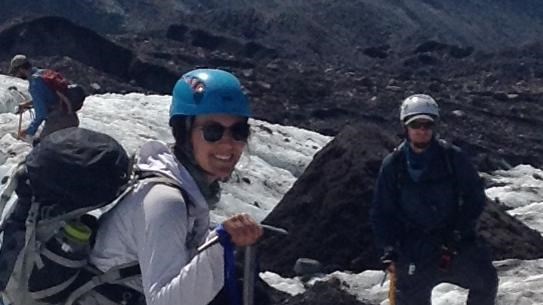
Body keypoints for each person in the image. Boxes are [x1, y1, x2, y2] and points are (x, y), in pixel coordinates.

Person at [81, 69, 263, 305]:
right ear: (184, 133)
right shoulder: (166, 200)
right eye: (212, 132)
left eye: (238, 131)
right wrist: (221, 246)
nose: (227, 144)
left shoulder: (184, 188)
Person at [370, 94, 498, 305]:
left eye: (427, 125)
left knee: (485, 279)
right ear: (406, 127)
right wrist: (388, 250)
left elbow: (474, 197)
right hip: (413, 247)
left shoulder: (453, 158)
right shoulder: (393, 165)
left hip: (450, 243)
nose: (422, 130)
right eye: (416, 124)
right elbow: (381, 211)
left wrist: (459, 232)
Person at [8, 54, 79, 140]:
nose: (17, 75)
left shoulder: (35, 83)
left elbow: (41, 114)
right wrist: (27, 104)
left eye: (16, 72)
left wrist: (28, 131)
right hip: (71, 116)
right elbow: (48, 97)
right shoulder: (44, 73)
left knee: (40, 146)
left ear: (21, 69)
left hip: (58, 121)